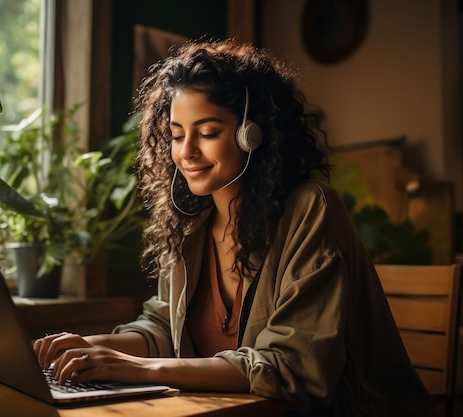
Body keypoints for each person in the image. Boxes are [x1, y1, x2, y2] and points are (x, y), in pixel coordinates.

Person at [33, 38, 431, 416]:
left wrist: (137, 369)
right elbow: (161, 328)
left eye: (207, 133)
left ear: (251, 133)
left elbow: (295, 370)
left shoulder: (311, 209)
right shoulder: (191, 223)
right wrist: (86, 348)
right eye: (176, 135)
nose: (186, 152)